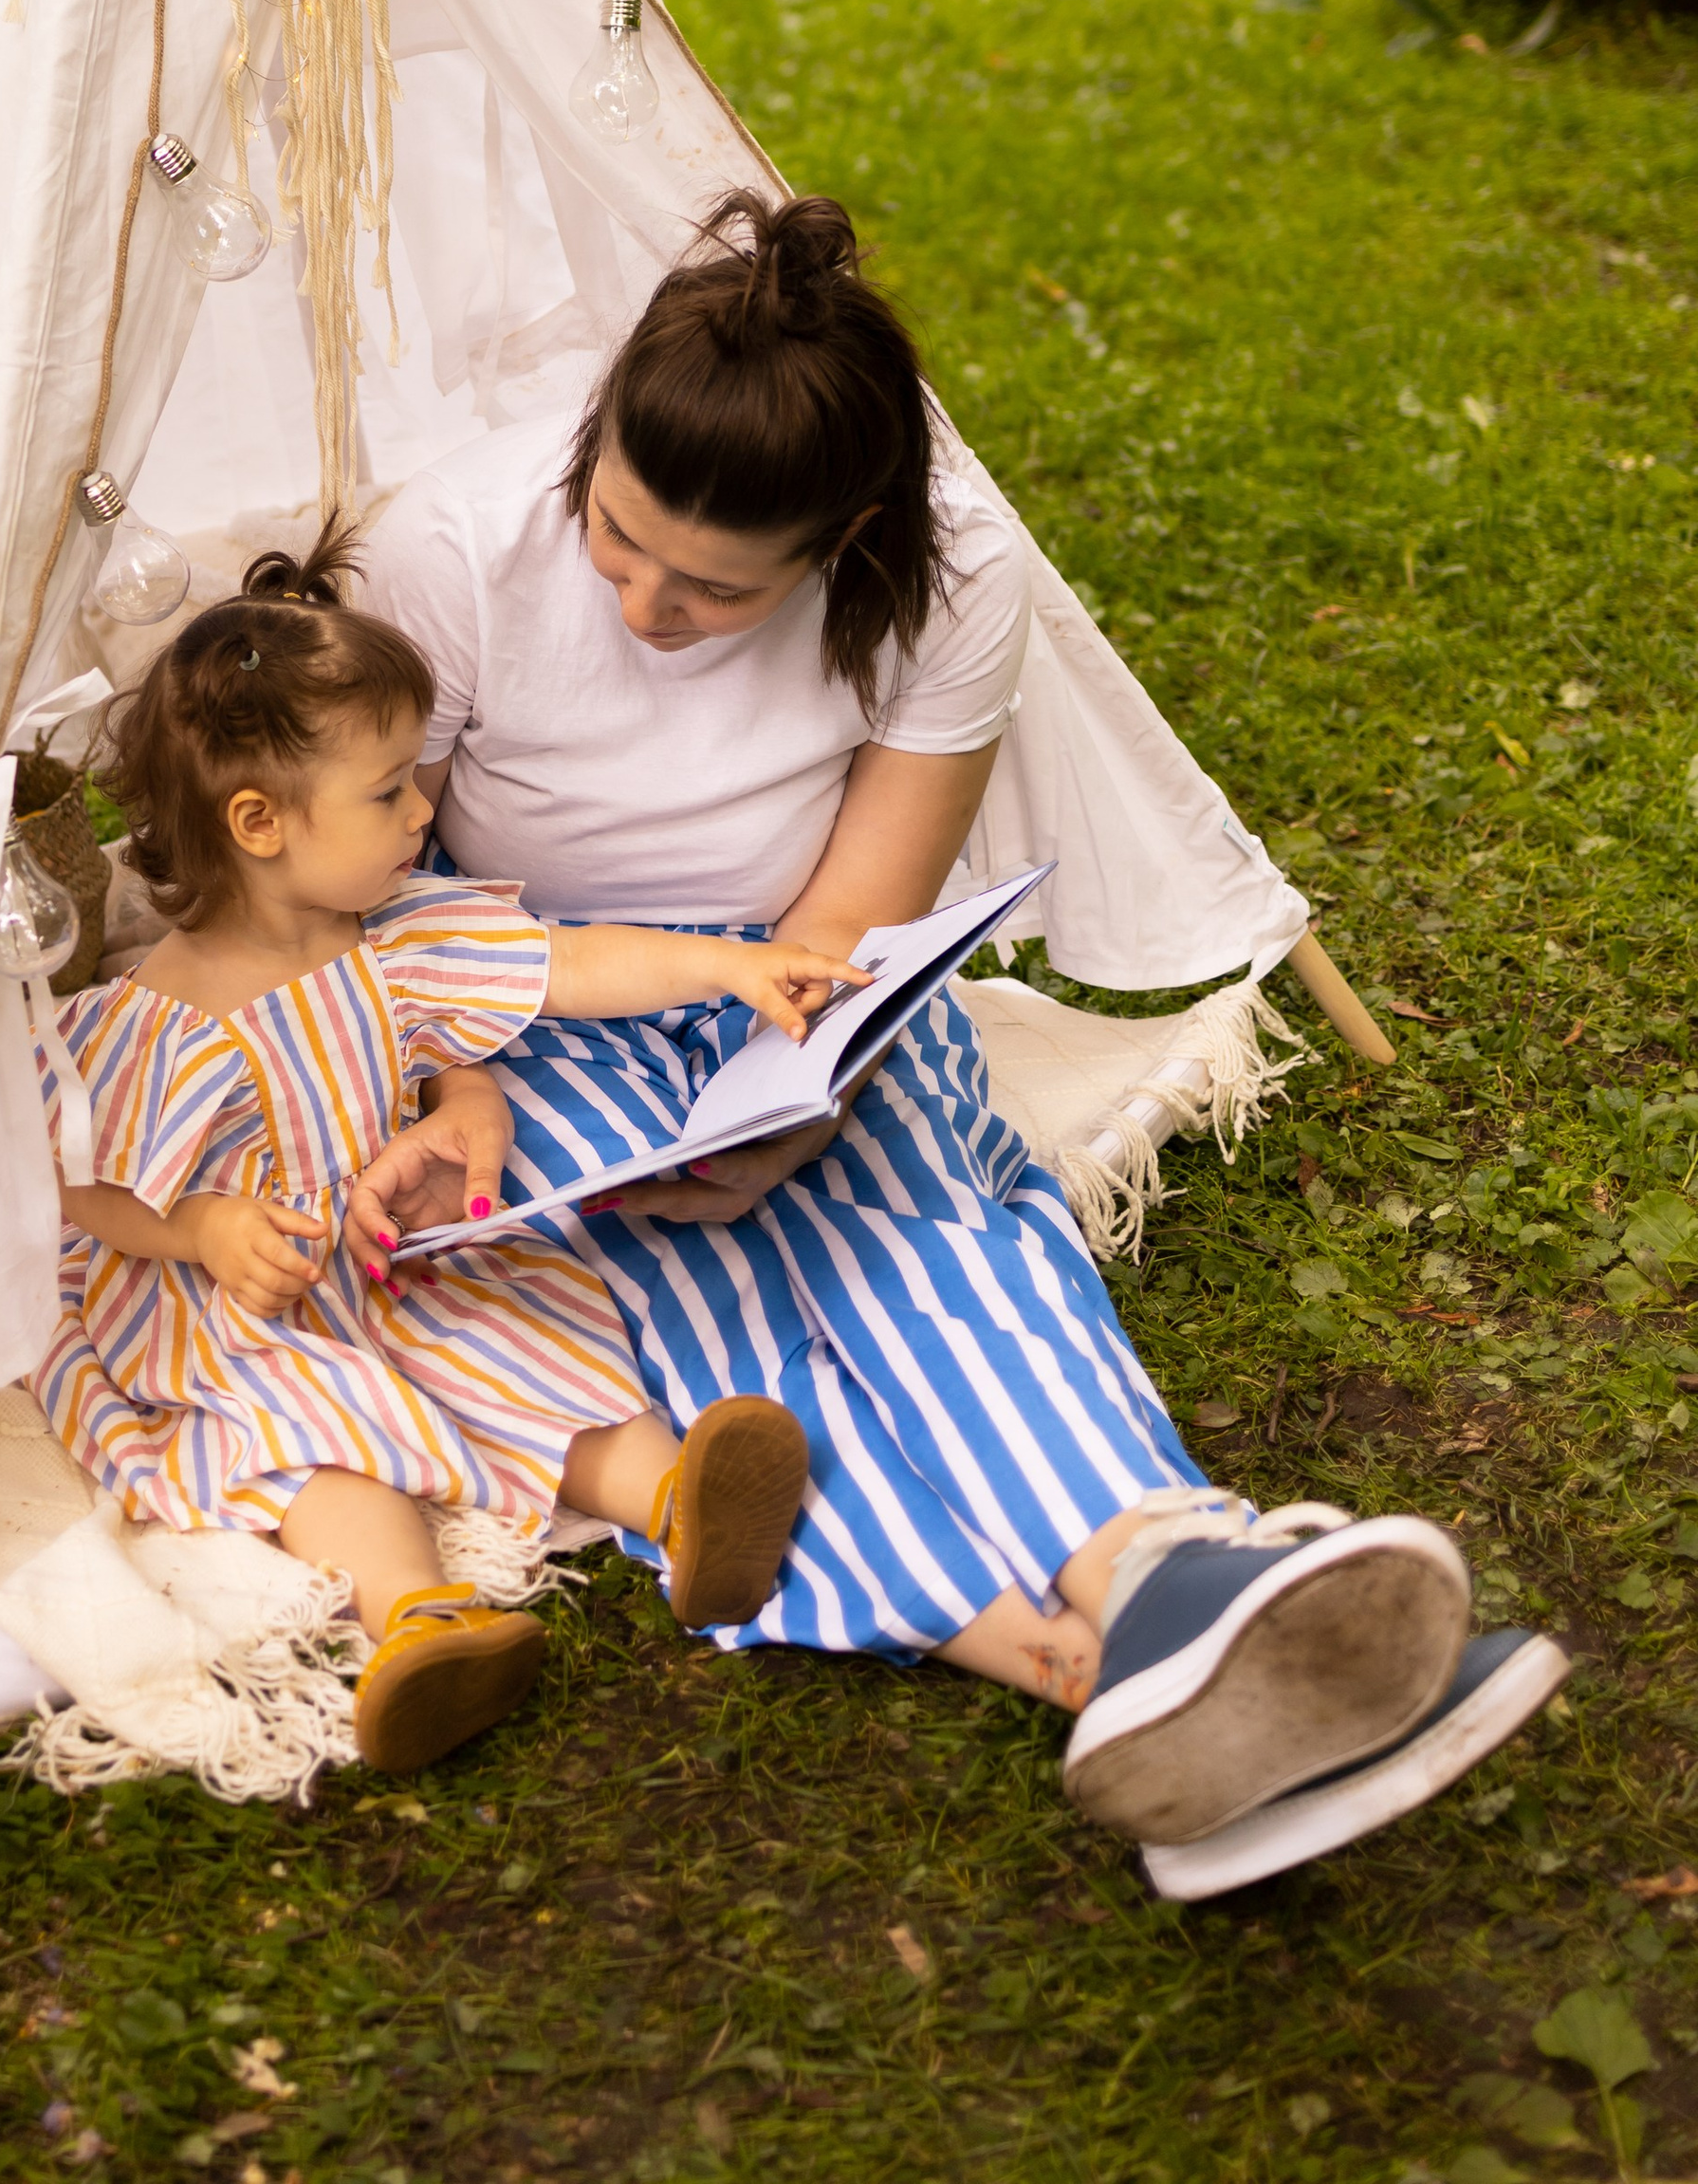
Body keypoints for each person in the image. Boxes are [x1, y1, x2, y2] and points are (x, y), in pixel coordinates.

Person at [357, 190, 1566, 1883]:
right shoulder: (451, 546)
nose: (642, 604)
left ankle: (1160, 1567)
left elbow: (853, 911)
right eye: (616, 536)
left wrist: (795, 1086)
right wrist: (463, 1074)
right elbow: (375, 878)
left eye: (713, 590)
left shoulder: (960, 570)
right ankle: (1118, 1664)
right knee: (727, 1356)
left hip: (799, 979)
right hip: (526, 987)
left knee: (929, 1228)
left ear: (847, 536)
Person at [31, 530, 821, 1776]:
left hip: (394, 1253)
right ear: (260, 823)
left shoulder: (393, 939)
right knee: (312, 1431)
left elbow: (573, 967)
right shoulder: (150, 1023)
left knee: (525, 1341)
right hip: (248, 1304)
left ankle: (677, 1503)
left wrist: (729, 965)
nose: (421, 810)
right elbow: (78, 1186)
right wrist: (200, 1232)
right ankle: (418, 1618)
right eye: (391, 790)